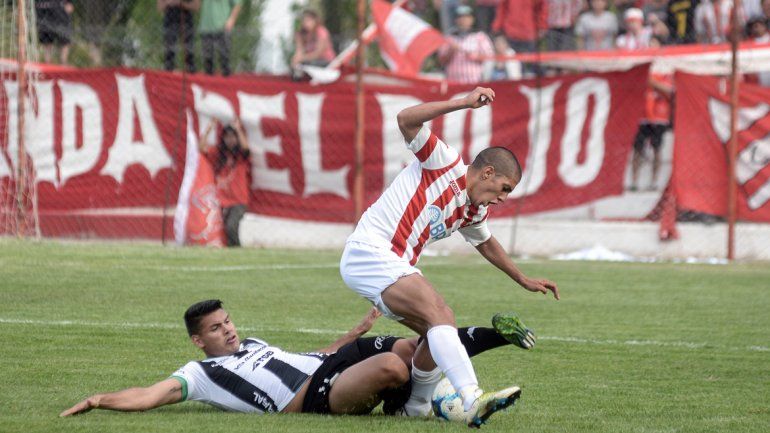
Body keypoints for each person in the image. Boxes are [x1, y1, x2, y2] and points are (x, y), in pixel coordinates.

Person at [340, 88, 559, 423]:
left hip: (388, 264)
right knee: (441, 311)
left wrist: (523, 279)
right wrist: (463, 103)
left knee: (437, 331)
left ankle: (413, 409)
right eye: (504, 188)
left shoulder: (472, 211)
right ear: (487, 173)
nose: (502, 198)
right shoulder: (444, 162)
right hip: (370, 250)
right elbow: (405, 119)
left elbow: (486, 243)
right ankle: (472, 398)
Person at [60, 299, 534, 422]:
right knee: (395, 367)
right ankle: (422, 402)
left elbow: (314, 356)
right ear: (197, 341)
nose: (227, 329)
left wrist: (352, 335)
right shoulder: (199, 374)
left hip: (326, 369)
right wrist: (101, 399)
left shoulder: (253, 344)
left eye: (226, 321)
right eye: (215, 328)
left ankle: (494, 340)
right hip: (312, 399)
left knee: (412, 345)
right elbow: (150, 395)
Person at [199, 119, 251, 247]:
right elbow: (201, 149)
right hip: (221, 201)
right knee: (221, 231)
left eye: (233, 137)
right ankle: (230, 253)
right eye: (227, 137)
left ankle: (237, 252)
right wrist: (208, 129)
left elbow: (245, 148)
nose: (230, 140)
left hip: (238, 201)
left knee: (231, 227)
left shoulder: (240, 156)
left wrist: (238, 129)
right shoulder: (219, 154)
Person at [629, 74, 673, 191]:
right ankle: (634, 181)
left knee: (657, 150)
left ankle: (654, 182)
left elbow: (670, 92)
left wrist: (652, 82)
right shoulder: (644, 70)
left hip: (660, 117)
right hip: (642, 117)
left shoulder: (667, 73)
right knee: (637, 150)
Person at [437, 5, 495, 84]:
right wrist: (451, 51)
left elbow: (489, 57)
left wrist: (470, 54)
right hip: (453, 82)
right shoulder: (449, 37)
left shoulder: (480, 36)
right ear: (456, 20)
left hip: (475, 81)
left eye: (466, 17)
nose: (463, 20)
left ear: (472, 19)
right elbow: (442, 60)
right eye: (460, 17)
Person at [199, 0, 243, 76]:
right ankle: (208, 83)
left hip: (223, 27)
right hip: (206, 27)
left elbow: (238, 4)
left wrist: (232, 20)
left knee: (225, 60)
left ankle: (227, 84)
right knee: (208, 61)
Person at [158, 0, 199, 73]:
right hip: (170, 18)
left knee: (189, 49)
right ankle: (168, 72)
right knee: (169, 50)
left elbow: (196, 6)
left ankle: (191, 72)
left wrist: (183, 4)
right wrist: (170, 2)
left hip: (186, 18)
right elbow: (160, 7)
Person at [35, 0, 74, 64]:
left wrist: (68, 5)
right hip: (45, 15)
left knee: (64, 42)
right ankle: (47, 65)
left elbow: (70, 7)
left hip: (61, 17)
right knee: (47, 44)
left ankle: (63, 64)